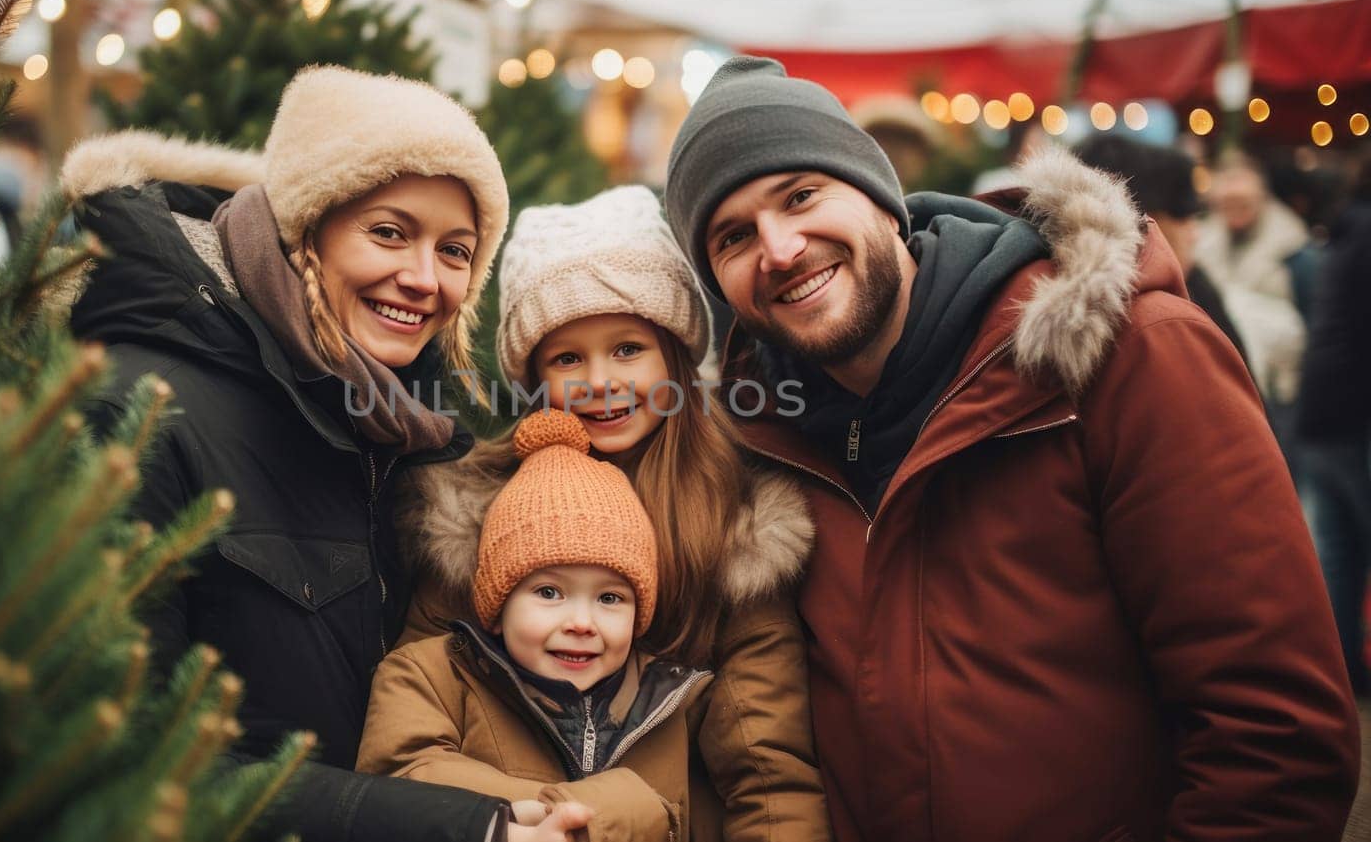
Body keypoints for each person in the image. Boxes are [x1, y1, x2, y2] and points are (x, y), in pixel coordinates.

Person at [664, 56, 1359, 842]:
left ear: (882, 198)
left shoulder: (1127, 358)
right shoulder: (757, 439)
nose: (781, 247)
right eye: (733, 236)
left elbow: (1274, 735)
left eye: (800, 195)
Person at [62, 66, 584, 841]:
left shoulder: (399, 425)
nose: (423, 279)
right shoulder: (138, 414)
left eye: (456, 250)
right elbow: (123, 751)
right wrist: (471, 830)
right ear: (305, 228)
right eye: (388, 231)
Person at [395, 186, 835, 840]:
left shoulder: (731, 527)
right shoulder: (486, 516)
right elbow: (410, 725)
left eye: (628, 348)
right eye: (568, 357)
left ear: (675, 358)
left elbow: (769, 778)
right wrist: (548, 815)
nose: (600, 380)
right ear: (536, 379)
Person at [361, 410, 712, 840]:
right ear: (499, 600)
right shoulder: (429, 676)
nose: (581, 623)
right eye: (549, 593)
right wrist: (605, 813)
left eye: (609, 598)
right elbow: (402, 780)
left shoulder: (673, 703)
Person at [1296, 147, 1371, 696]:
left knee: (1339, 555)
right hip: (1355, 415)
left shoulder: (1343, 231)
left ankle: (1342, 678)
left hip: (1320, 409)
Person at [1072, 133, 1248, 364]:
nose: (1195, 234)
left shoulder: (1198, 289)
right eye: (1183, 218)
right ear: (1144, 223)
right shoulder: (1164, 319)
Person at [1197, 151, 1311, 410]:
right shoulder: (1203, 242)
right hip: (1223, 382)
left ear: (1261, 197)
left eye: (1242, 202)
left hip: (1283, 389)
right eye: (1227, 203)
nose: (1234, 210)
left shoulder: (1295, 249)